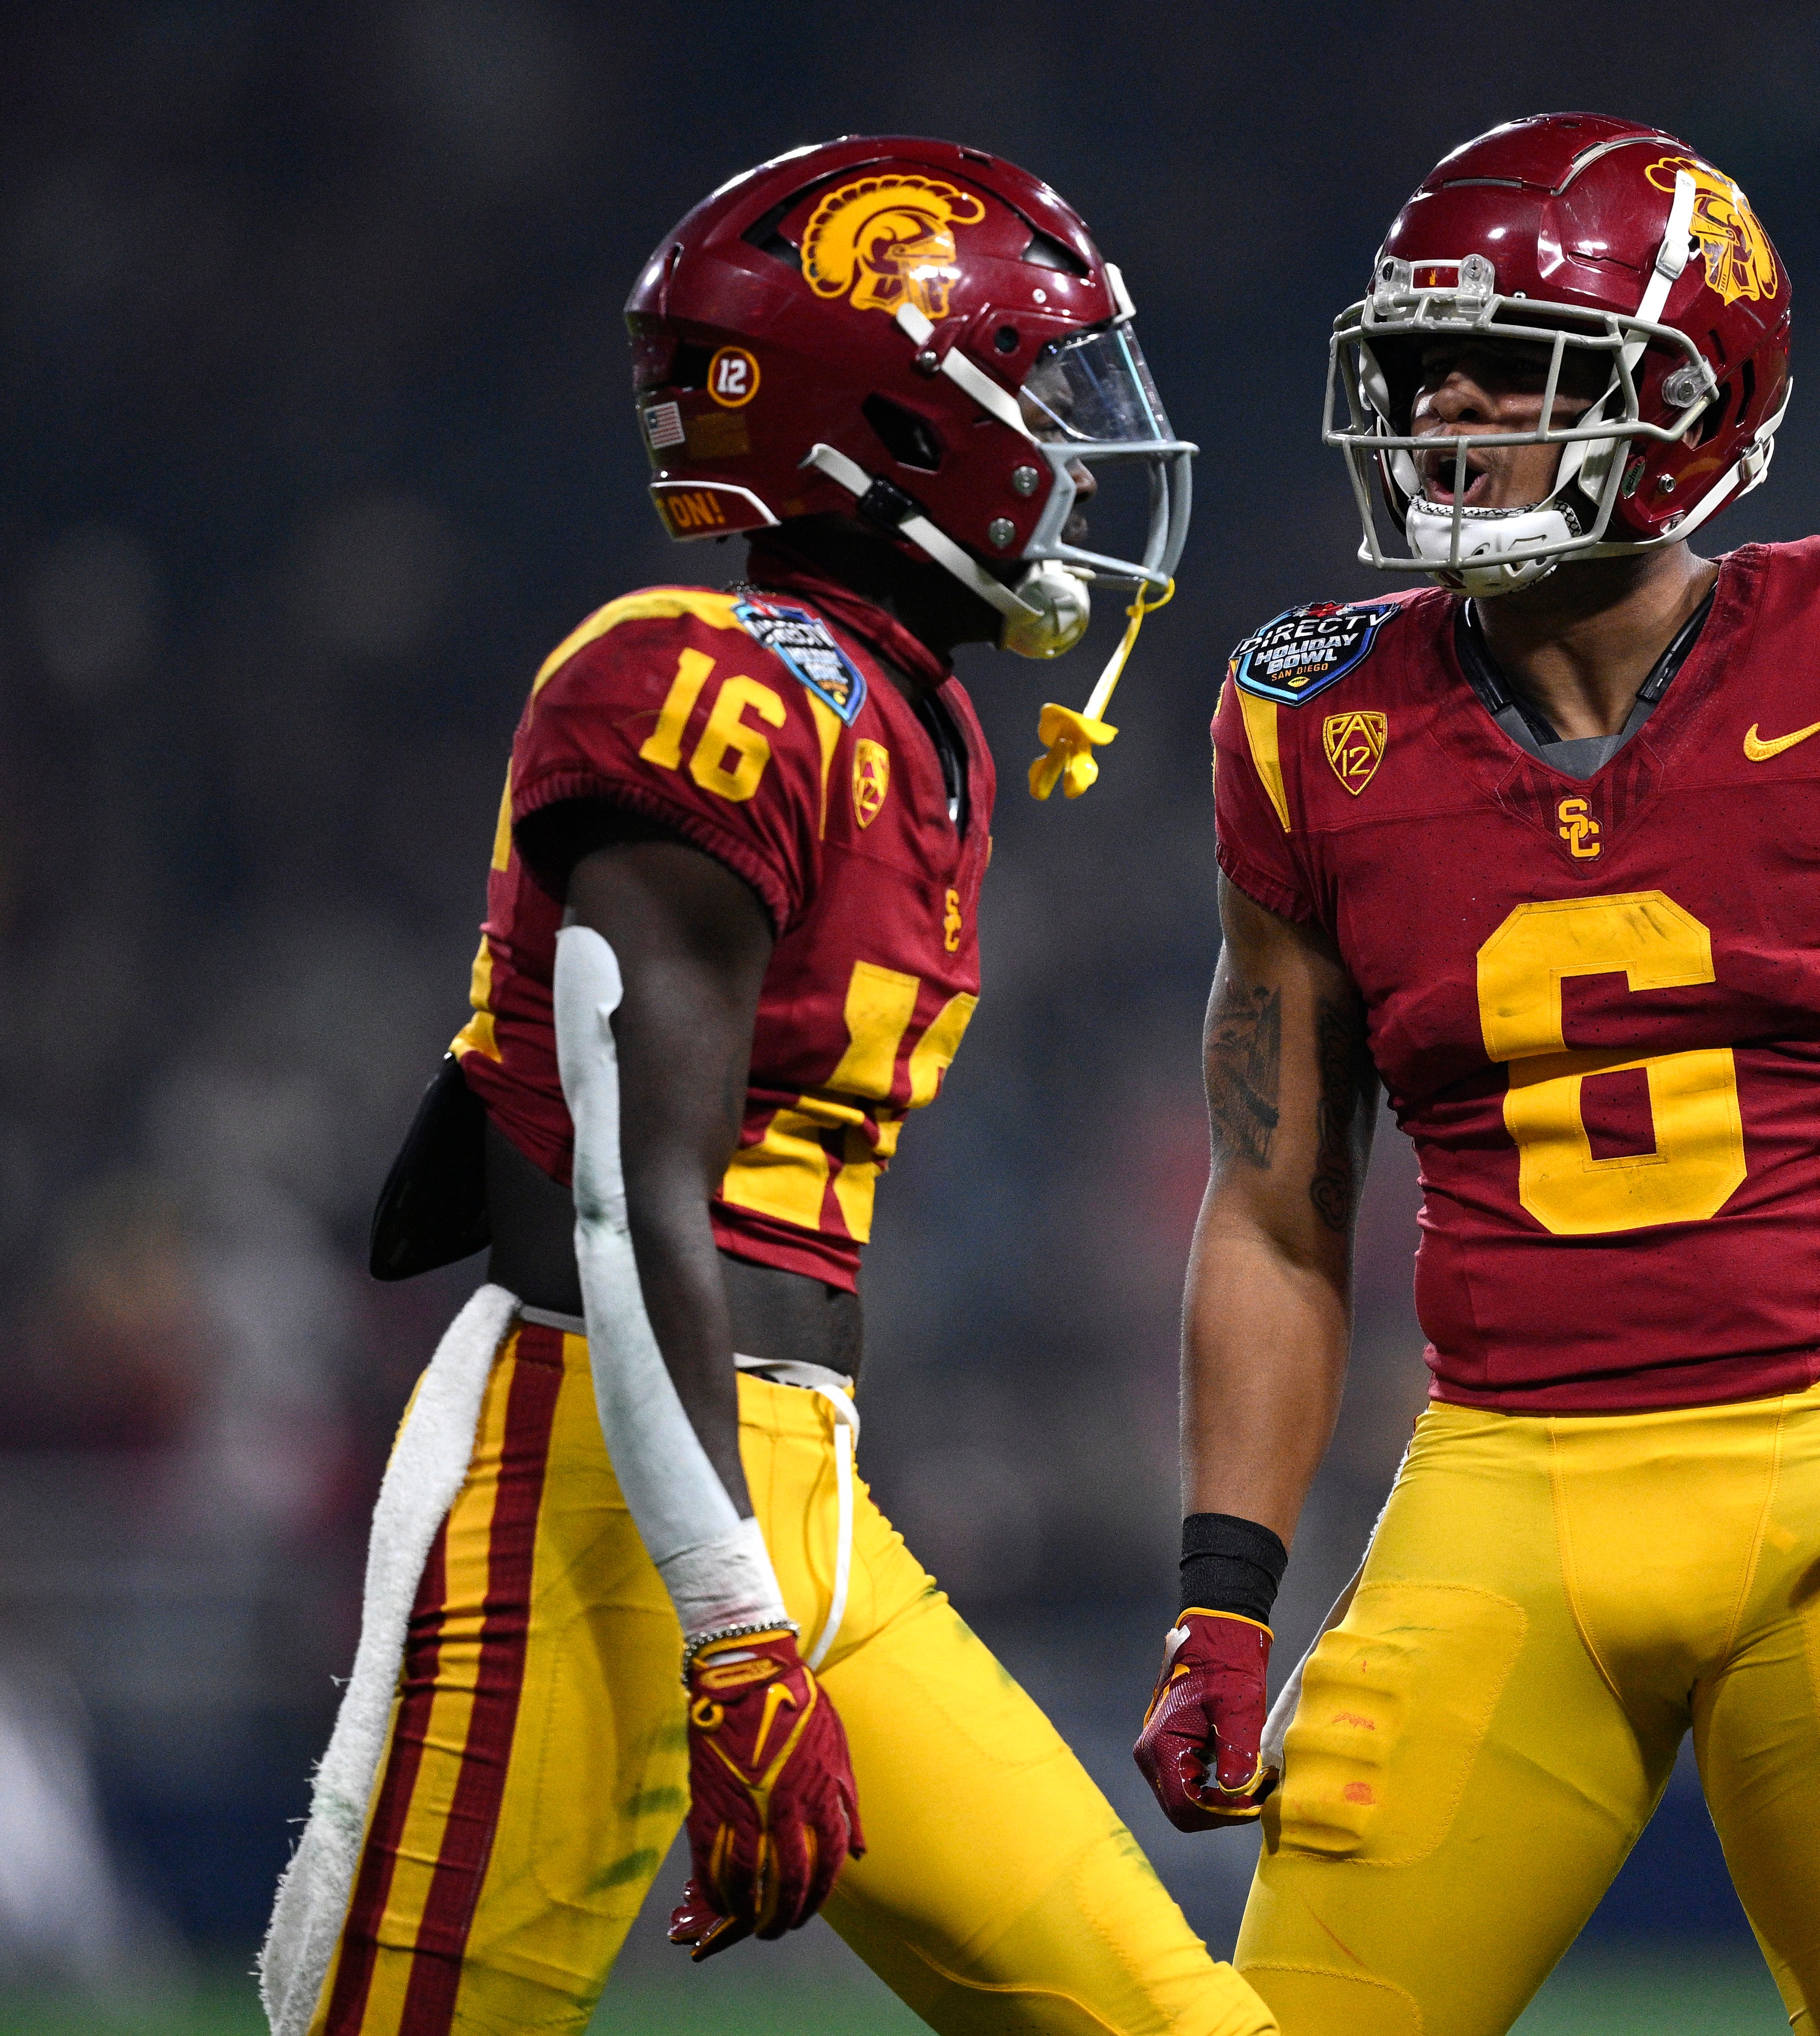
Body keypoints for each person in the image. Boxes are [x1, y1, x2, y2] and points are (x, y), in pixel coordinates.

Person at [1133, 113, 1820, 2035]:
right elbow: (1277, 1202)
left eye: (1511, 362)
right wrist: (1222, 1590)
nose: (1444, 405)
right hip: (1499, 1492)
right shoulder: (1305, 713)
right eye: (1421, 365)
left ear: (1694, 396)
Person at [259, 135, 1264, 2036]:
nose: (1070, 448)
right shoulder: (701, 681)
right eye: (1033, 393)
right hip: (588, 1476)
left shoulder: (913, 713)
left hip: (785, 1482)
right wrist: (732, 1634)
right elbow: (626, 1204)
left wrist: (758, 1594)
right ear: (888, 427)